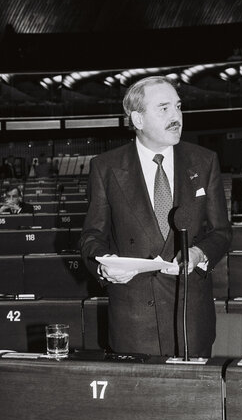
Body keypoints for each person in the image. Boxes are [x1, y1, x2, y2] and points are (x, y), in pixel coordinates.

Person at [80, 76, 232, 357]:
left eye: (178, 107)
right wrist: (105, 265)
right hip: (133, 321)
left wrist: (199, 252)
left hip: (190, 318)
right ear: (138, 119)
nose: (176, 116)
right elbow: (92, 237)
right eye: (164, 108)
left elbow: (221, 231)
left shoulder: (205, 160)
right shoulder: (105, 167)